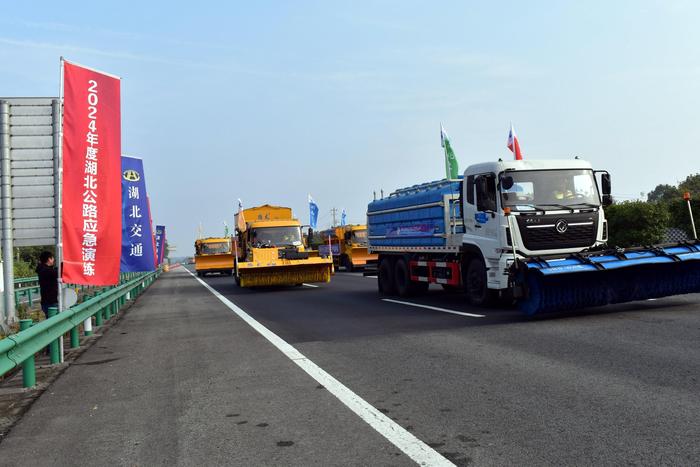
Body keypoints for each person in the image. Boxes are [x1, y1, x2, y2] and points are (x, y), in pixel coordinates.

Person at [36, 251, 58, 319]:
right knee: (54, 323)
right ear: (49, 259)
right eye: (52, 258)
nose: (53, 260)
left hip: (45, 301)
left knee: (51, 321)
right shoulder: (47, 271)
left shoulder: (41, 269)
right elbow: (59, 273)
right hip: (51, 301)